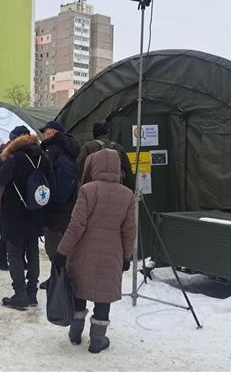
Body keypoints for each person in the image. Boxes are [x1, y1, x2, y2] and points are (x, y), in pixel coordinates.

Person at [53, 148, 137, 354]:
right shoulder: (127, 195)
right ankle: (98, 341)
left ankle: (75, 334)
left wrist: (62, 251)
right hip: (112, 254)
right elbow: (129, 230)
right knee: (103, 296)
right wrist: (127, 256)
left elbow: (76, 225)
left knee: (79, 290)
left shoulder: (88, 190)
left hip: (83, 252)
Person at [0, 132, 55, 310]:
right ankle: (32, 293)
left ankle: (20, 294)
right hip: (35, 211)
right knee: (32, 250)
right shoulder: (43, 158)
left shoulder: (14, 158)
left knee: (14, 253)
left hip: (14, 213)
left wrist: (2, 159)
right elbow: (52, 183)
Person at [39, 120, 81, 289]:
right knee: (65, 244)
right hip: (69, 204)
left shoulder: (52, 150)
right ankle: (59, 278)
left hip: (54, 206)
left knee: (53, 245)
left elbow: (45, 176)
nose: (43, 134)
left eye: (46, 131)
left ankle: (60, 281)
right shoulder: (71, 149)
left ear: (54, 132)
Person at [0, 126, 31, 271]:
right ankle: (3, 260)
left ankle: (13, 259)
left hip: (7, 196)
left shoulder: (9, 152)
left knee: (12, 230)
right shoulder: (8, 153)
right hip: (7, 197)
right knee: (7, 231)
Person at [77, 122, 134, 189]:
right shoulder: (118, 147)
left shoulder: (88, 147)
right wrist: (130, 188)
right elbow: (128, 170)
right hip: (117, 187)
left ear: (94, 134)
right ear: (106, 133)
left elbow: (79, 168)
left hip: (94, 188)